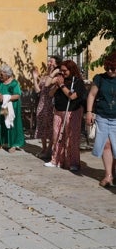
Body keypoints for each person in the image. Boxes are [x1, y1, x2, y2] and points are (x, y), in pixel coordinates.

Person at [45, 60, 86, 171]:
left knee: (71, 138)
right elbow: (49, 90)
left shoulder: (78, 82)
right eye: (61, 70)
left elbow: (72, 96)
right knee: (56, 136)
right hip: (58, 111)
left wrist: (62, 85)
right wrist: (56, 82)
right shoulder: (59, 79)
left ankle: (72, 162)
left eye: (65, 71)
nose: (63, 73)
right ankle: (56, 160)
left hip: (72, 112)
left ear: (71, 70)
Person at [84, 52, 116, 186]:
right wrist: (89, 112)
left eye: (113, 68)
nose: (109, 71)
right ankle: (108, 175)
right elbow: (91, 95)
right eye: (107, 68)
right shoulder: (99, 78)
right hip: (102, 116)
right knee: (106, 145)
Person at [0, 64, 25, 152]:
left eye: (1, 75)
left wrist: (6, 97)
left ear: (7, 75)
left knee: (10, 123)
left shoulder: (14, 83)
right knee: (0, 122)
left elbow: (17, 95)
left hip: (10, 107)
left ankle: (13, 145)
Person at [32, 55, 62, 159]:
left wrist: (52, 74)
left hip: (51, 104)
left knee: (51, 127)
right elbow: (38, 91)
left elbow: (49, 87)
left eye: (51, 61)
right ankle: (44, 148)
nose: (49, 63)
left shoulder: (57, 76)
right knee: (41, 126)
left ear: (56, 64)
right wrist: (35, 78)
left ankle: (49, 149)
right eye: (48, 61)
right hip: (42, 103)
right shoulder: (45, 76)